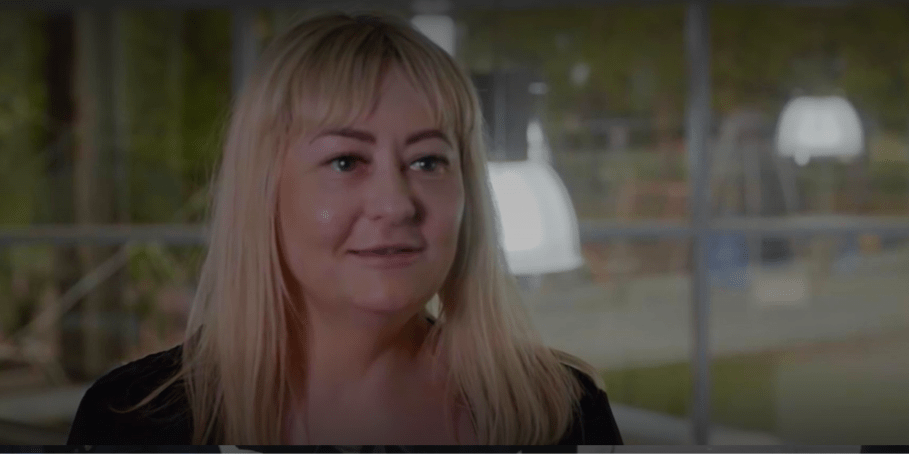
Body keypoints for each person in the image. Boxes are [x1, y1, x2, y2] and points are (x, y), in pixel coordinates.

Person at [66, 11, 622, 447]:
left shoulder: (560, 413)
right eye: (345, 161)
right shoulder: (134, 423)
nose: (395, 203)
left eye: (428, 161)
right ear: (266, 192)